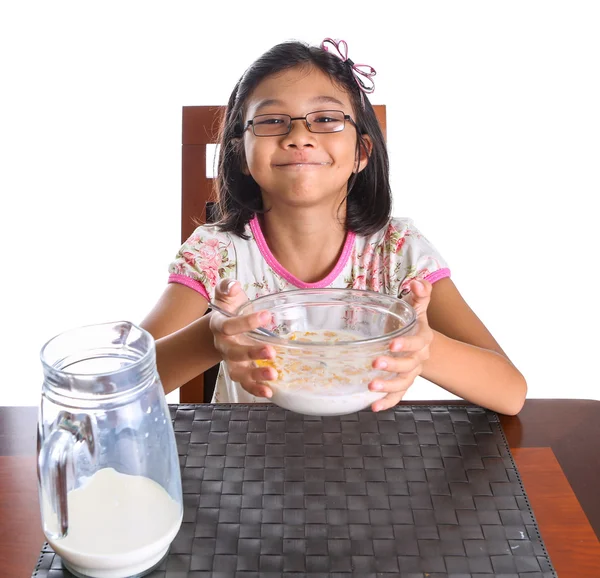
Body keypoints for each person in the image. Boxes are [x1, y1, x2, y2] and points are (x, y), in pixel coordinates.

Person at [141, 38, 526, 415]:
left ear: (361, 151)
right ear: (240, 153)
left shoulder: (397, 251)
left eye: (326, 119)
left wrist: (422, 346)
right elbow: (125, 382)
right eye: (272, 120)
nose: (299, 136)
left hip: (375, 459)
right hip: (244, 459)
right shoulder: (217, 253)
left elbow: (510, 392)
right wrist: (214, 337)